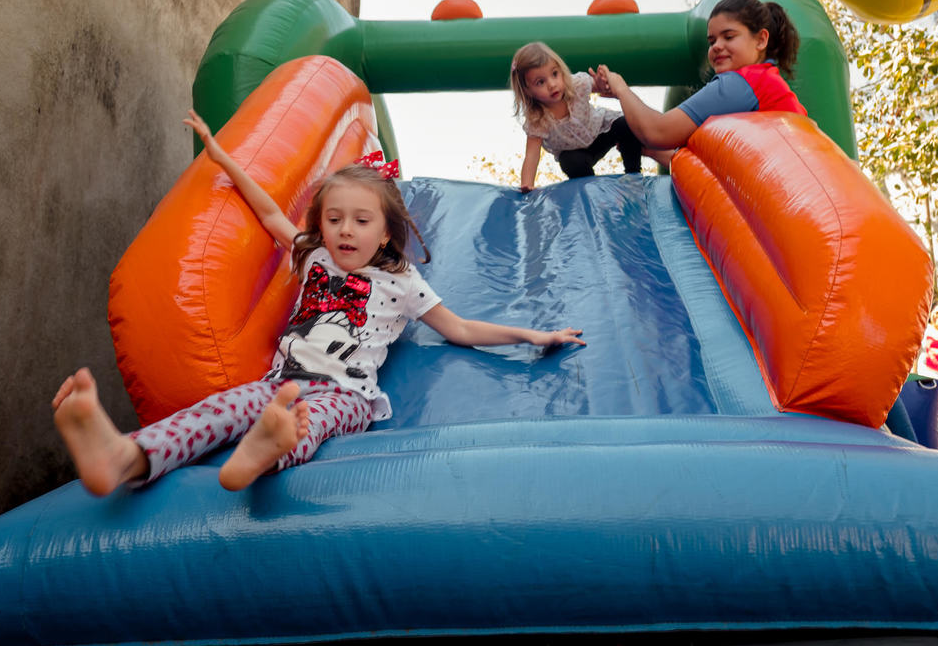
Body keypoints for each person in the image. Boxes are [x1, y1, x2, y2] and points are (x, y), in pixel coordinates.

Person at [52, 110, 586, 496]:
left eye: (360, 221)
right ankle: (125, 455)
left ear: (384, 232)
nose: (345, 231)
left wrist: (532, 335)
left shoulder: (402, 280)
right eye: (334, 220)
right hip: (276, 381)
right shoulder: (312, 258)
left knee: (309, 420)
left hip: (346, 393)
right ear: (321, 226)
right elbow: (266, 212)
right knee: (219, 409)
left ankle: (265, 453)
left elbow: (461, 328)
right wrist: (222, 158)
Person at [590, 0, 806, 149]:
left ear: (761, 40)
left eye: (729, 37)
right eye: (712, 41)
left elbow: (658, 132)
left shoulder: (740, 84)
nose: (717, 46)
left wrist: (620, 88)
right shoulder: (765, 80)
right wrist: (644, 146)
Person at [510, 41, 670, 192]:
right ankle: (591, 189)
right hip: (577, 153)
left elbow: (600, 87)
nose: (552, 84)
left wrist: (601, 82)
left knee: (625, 124)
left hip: (601, 132)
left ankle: (633, 175)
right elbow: (532, 155)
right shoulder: (537, 119)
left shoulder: (576, 85)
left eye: (554, 74)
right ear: (527, 90)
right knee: (569, 162)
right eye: (540, 82)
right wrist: (527, 185)